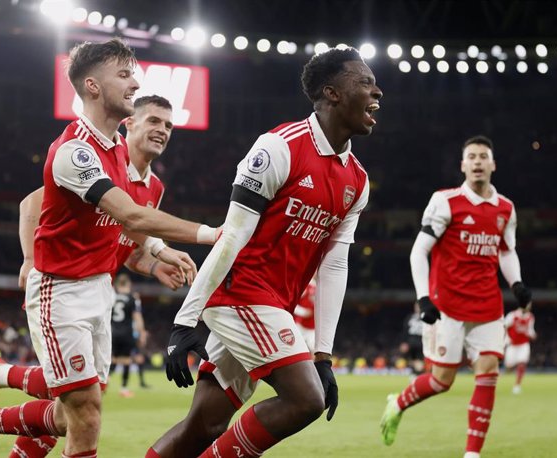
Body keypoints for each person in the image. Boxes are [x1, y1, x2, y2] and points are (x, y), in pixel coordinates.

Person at [0, 38, 219, 458]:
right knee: (85, 412)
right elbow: (123, 215)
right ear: (93, 86)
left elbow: (123, 229)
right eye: (124, 74)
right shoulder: (75, 152)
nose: (134, 82)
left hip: (100, 287)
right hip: (59, 288)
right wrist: (210, 233)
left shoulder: (121, 154)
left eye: (168, 125)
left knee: (70, 414)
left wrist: (155, 256)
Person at [147, 47, 381, 458]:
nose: (377, 91)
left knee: (204, 425)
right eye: (364, 82)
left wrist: (323, 355)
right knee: (307, 399)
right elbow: (231, 237)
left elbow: (335, 263)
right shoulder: (278, 147)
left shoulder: (357, 181)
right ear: (332, 93)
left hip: (274, 305)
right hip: (241, 294)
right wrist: (185, 321)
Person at [380, 135, 533, 458]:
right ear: (463, 165)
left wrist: (516, 283)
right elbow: (418, 252)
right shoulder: (445, 202)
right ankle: (399, 402)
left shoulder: (505, 208)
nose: (477, 162)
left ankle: (472, 454)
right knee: (441, 381)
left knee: (488, 373)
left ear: (493, 164)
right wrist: (424, 299)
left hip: (488, 306)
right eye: (472, 157)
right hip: (447, 306)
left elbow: (507, 251)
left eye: (483, 157)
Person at [110, 273, 146, 398]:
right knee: (126, 361)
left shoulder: (111, 297)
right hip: (126, 333)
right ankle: (124, 389)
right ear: (129, 284)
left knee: (112, 359)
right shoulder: (133, 298)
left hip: (112, 332)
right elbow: (137, 317)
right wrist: (141, 334)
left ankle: (104, 383)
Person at [504, 303, 536, 394]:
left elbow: (530, 330)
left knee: (522, 364)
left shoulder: (530, 317)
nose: (528, 306)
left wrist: (533, 335)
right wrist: (506, 338)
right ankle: (508, 370)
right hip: (512, 345)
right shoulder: (512, 315)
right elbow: (504, 327)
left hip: (523, 344)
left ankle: (517, 386)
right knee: (509, 367)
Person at [398, 302, 424, 377]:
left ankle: (417, 375)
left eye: (419, 306)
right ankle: (415, 374)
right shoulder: (410, 317)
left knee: (420, 362)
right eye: (416, 306)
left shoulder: (427, 317)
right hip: (411, 343)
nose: (417, 308)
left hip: (421, 343)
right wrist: (403, 342)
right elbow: (405, 331)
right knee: (409, 360)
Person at [293, 279, 317, 353]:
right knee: (295, 347)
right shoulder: (306, 285)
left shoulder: (317, 286)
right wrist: (303, 312)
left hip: (313, 326)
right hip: (300, 325)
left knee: (315, 350)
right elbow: (292, 302)